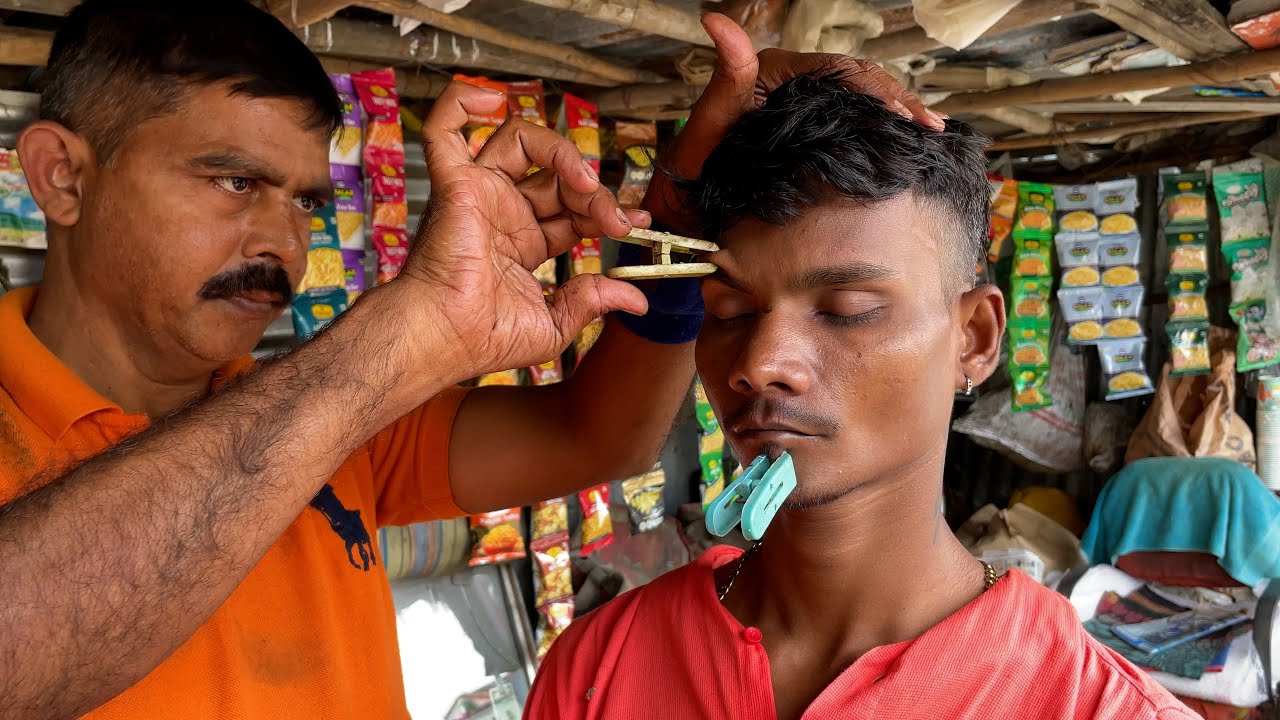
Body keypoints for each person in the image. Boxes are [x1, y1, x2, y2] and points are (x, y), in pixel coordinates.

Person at [0, 1, 940, 718]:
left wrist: (684, 210)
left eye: (305, 203)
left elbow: (594, 434)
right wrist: (410, 328)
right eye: (233, 182)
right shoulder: (324, 405)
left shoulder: (317, 421)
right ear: (61, 174)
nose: (278, 240)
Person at [524, 74, 1198, 720]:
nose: (760, 364)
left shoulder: (1094, 707)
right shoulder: (594, 669)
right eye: (728, 311)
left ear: (975, 338)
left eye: (845, 309)